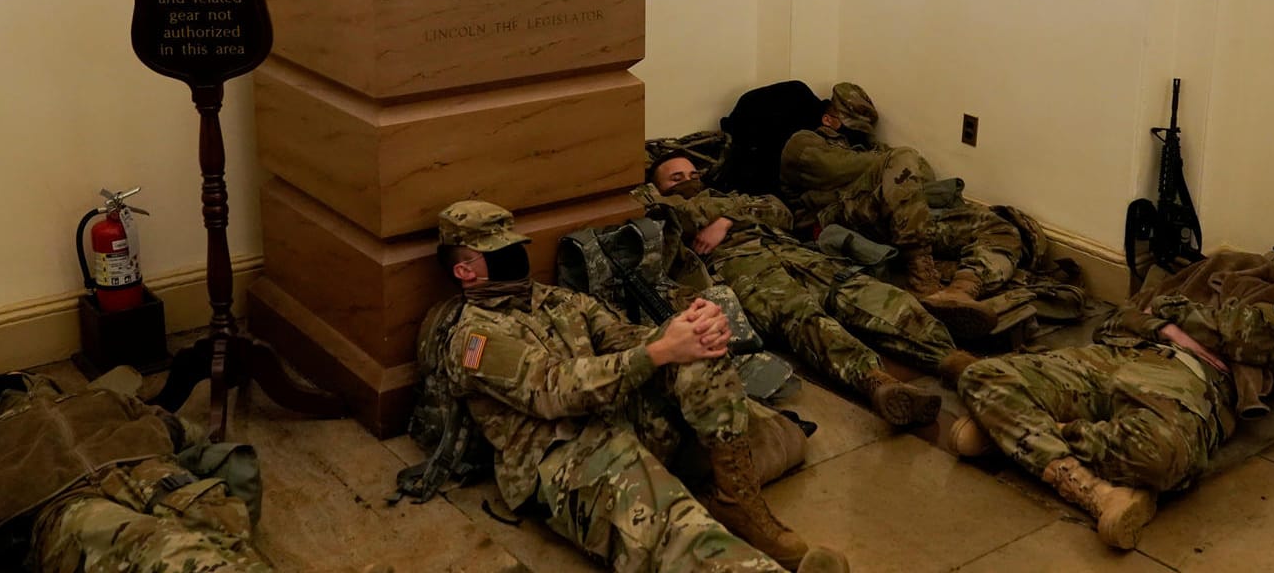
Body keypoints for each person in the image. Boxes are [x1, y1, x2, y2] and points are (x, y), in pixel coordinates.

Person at [433, 200, 848, 573]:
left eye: (513, 245)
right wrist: (658, 351)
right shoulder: (476, 340)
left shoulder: (557, 300)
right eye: (497, 252)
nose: (512, 256)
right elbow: (554, 391)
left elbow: (622, 337)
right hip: (561, 457)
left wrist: (687, 327)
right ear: (465, 270)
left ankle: (738, 502)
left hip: (618, 416)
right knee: (672, 526)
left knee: (696, 352)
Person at [949, 303, 1274, 550]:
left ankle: (1019, 432)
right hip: (1121, 355)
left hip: (1186, 382)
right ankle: (1090, 488)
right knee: (981, 376)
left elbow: (1263, 339)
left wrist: (1069, 429)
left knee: (1160, 457)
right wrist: (1168, 323)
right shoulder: (1196, 292)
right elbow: (1118, 321)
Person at [643, 156, 979, 426]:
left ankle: (951, 361)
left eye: (691, 172)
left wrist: (726, 219)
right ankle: (877, 382)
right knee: (802, 317)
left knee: (861, 291)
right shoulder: (658, 212)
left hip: (790, 251)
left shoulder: (730, 198)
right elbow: (678, 224)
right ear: (658, 187)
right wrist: (722, 217)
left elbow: (780, 212)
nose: (688, 180)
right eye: (676, 178)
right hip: (738, 267)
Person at [0, 369, 268, 572]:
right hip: (64, 504)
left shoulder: (100, 398)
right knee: (155, 549)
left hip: (149, 473)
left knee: (222, 534)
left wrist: (166, 429)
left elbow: (190, 433)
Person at [778, 82, 1026, 336]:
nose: (859, 136)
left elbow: (923, 172)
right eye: (852, 128)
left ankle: (959, 291)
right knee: (903, 157)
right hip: (837, 220)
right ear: (828, 120)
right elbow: (837, 168)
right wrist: (888, 167)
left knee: (1001, 227)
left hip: (900, 223)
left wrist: (890, 170)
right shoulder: (804, 143)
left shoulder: (873, 151)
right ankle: (923, 278)